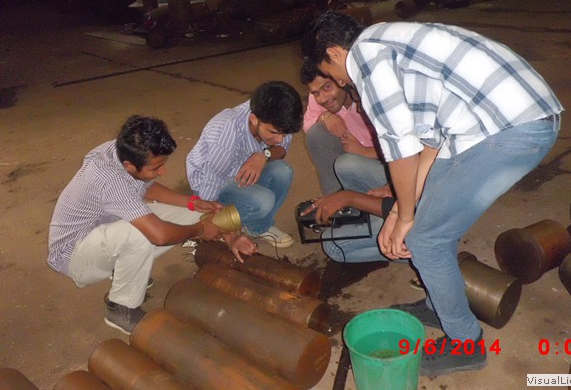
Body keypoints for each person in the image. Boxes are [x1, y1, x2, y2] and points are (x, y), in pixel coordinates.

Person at [302, 11, 564, 376]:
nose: (338, 81)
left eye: (330, 73)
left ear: (334, 52)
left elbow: (401, 150)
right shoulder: (387, 41)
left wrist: (406, 217)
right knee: (430, 226)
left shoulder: (367, 60)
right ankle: (439, 304)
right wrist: (401, 211)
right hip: (506, 118)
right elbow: (430, 144)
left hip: (508, 128)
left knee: (426, 241)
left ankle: (465, 343)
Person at [48, 115, 257, 335]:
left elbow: (145, 186)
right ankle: (120, 307)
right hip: (74, 255)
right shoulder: (110, 180)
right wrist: (202, 230)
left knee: (194, 215)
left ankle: (123, 267)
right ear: (129, 166)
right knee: (141, 235)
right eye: (156, 168)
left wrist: (193, 203)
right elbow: (160, 236)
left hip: (104, 231)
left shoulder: (120, 151)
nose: (163, 172)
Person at [187, 81, 303, 248]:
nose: (279, 139)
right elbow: (210, 184)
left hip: (239, 171)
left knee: (283, 171)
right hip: (212, 184)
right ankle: (213, 225)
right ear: (254, 119)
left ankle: (259, 228)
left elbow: (282, 148)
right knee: (263, 201)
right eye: (274, 133)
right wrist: (223, 228)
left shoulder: (276, 118)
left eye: (284, 134)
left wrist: (264, 155)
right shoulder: (224, 134)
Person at [300, 60, 388, 194]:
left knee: (346, 164)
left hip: (390, 163)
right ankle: (335, 197)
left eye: (327, 87)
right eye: (316, 93)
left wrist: (365, 152)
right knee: (316, 134)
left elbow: (405, 147)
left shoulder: (373, 94)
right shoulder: (319, 97)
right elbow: (306, 125)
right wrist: (325, 116)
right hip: (353, 149)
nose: (322, 99)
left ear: (341, 80)